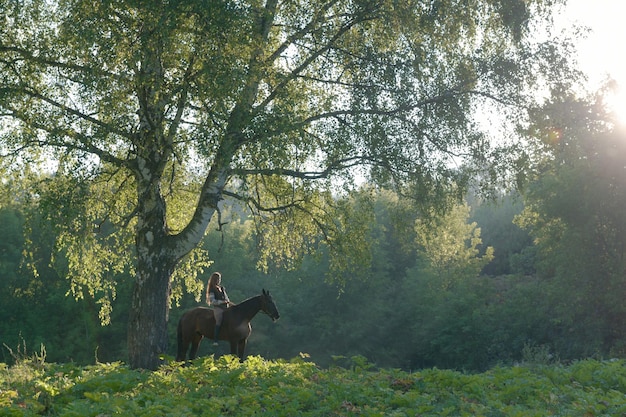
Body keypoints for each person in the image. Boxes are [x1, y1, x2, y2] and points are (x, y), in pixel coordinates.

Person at [206, 272, 230, 346]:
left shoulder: (221, 288)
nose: (219, 280)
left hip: (225, 307)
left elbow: (226, 297)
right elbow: (212, 301)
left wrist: (227, 301)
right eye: (218, 279)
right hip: (218, 308)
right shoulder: (212, 289)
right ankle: (215, 339)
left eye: (220, 279)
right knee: (219, 320)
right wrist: (222, 302)